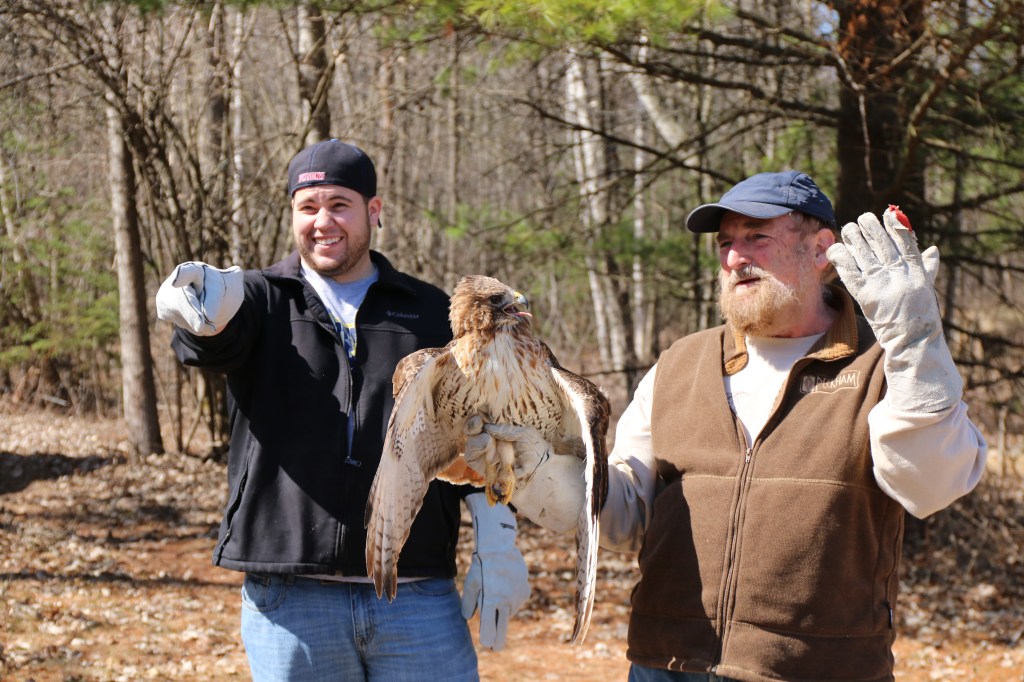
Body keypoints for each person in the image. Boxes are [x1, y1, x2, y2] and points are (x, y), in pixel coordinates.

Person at [472, 171, 987, 681]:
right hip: (666, 664)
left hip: (818, 671)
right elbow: (626, 511)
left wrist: (916, 341)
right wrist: (534, 469)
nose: (734, 257)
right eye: (725, 243)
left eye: (756, 237)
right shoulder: (680, 363)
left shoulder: (882, 363)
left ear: (821, 249)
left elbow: (930, 485)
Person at [154, 139, 529, 681]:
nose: (322, 221)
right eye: (308, 207)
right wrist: (198, 318)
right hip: (291, 601)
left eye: (339, 205)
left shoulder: (430, 313)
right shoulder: (258, 299)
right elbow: (210, 346)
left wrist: (498, 538)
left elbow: (481, 432)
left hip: (416, 595)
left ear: (373, 212)